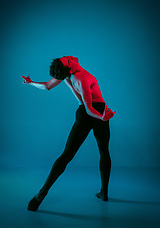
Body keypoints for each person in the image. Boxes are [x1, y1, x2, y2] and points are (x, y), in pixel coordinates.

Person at [22, 56, 116, 211]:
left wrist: (30, 82)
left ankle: (104, 193)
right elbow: (89, 109)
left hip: (93, 112)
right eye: (68, 61)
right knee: (83, 153)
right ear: (70, 68)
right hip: (94, 112)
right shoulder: (81, 77)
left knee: (97, 152)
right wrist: (103, 117)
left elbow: (47, 86)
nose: (70, 57)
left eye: (65, 58)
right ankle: (41, 193)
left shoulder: (67, 74)